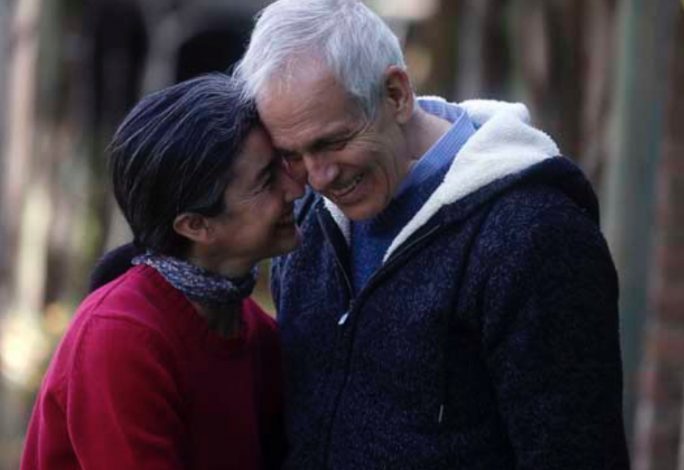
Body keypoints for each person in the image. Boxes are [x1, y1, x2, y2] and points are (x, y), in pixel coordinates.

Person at [234, 0, 630, 468]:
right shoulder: (308, 218)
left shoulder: (536, 237)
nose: (318, 177)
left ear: (397, 94)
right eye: (293, 155)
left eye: (332, 142)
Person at [21, 74, 304, 469]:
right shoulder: (121, 337)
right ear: (195, 226)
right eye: (266, 180)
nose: (296, 187)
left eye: (283, 164)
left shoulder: (253, 331)